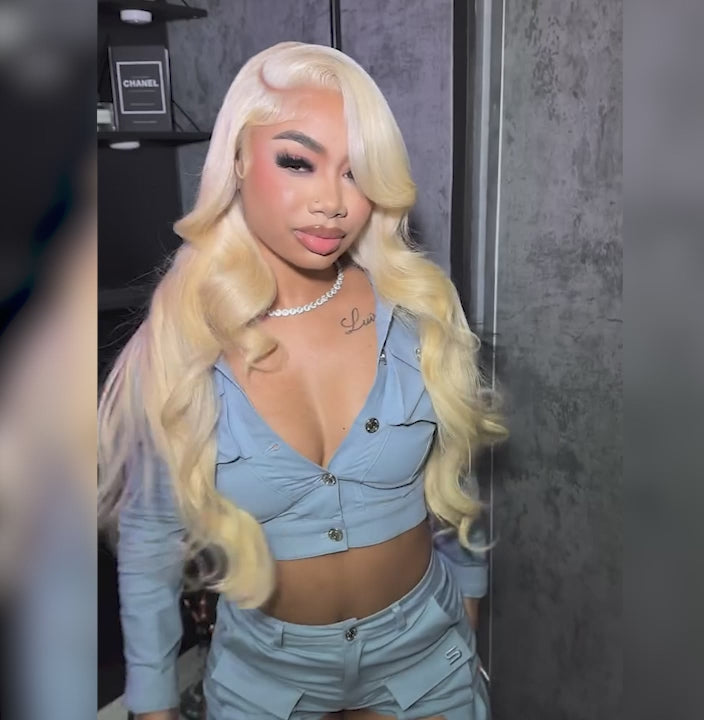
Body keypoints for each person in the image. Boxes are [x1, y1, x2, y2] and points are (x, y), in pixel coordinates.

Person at [98, 41, 507, 720]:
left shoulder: (416, 311)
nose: (332, 203)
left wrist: (467, 604)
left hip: (425, 657)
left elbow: (456, 479)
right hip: (264, 679)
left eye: (356, 173)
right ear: (236, 159)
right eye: (298, 161)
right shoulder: (180, 341)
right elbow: (149, 540)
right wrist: (152, 703)